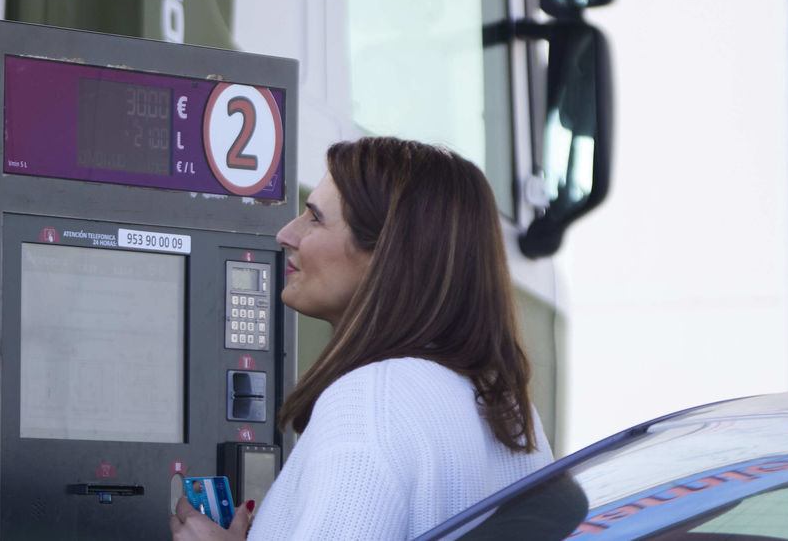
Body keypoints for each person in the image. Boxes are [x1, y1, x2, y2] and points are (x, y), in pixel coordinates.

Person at [170, 136, 553, 540]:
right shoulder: (505, 407)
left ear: (388, 255)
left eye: (315, 218)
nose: (286, 234)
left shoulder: (372, 398)